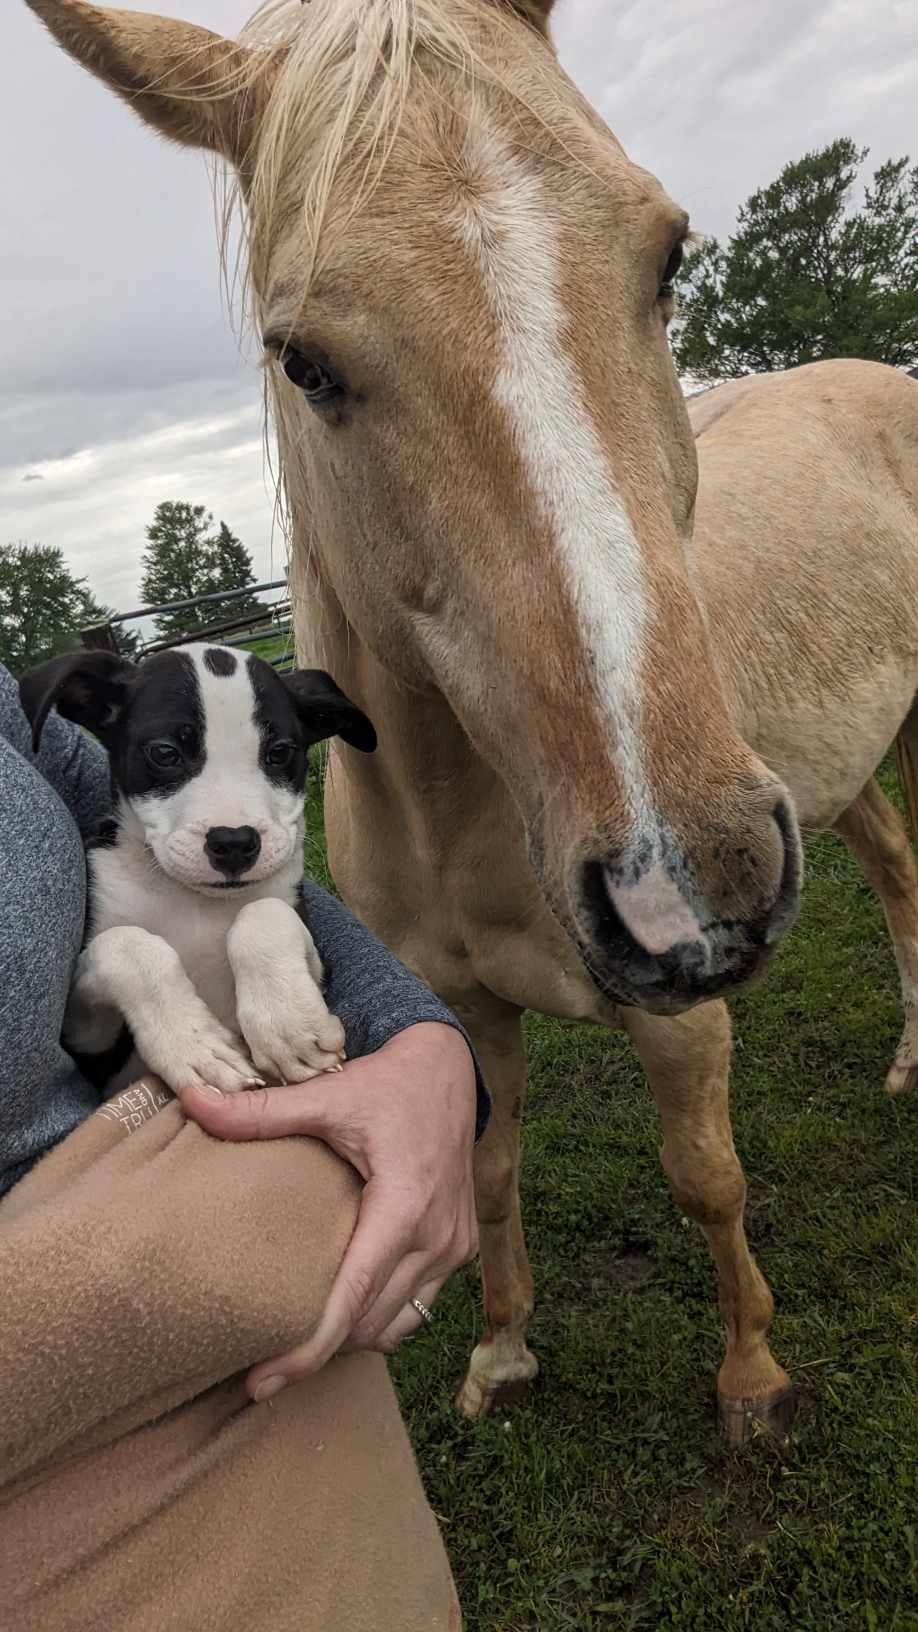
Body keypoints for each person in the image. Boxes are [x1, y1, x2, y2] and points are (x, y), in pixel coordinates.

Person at [0, 657, 486, 1631]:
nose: (230, 818)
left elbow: (296, 922)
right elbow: (89, 1032)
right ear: (100, 719)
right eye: (173, 760)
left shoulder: (255, 867)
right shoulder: (116, 885)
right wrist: (151, 982)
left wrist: (417, 1037)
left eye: (273, 761)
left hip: (262, 1309)